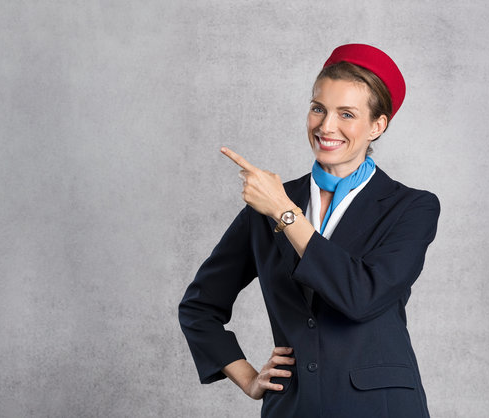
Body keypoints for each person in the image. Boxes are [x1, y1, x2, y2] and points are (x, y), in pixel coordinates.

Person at [178, 43, 440, 418]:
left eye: (346, 114)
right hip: (293, 407)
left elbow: (362, 296)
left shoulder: (411, 207)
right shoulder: (266, 206)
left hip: (381, 407)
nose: (326, 126)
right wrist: (250, 379)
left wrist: (284, 212)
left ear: (377, 126)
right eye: (318, 108)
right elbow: (199, 307)